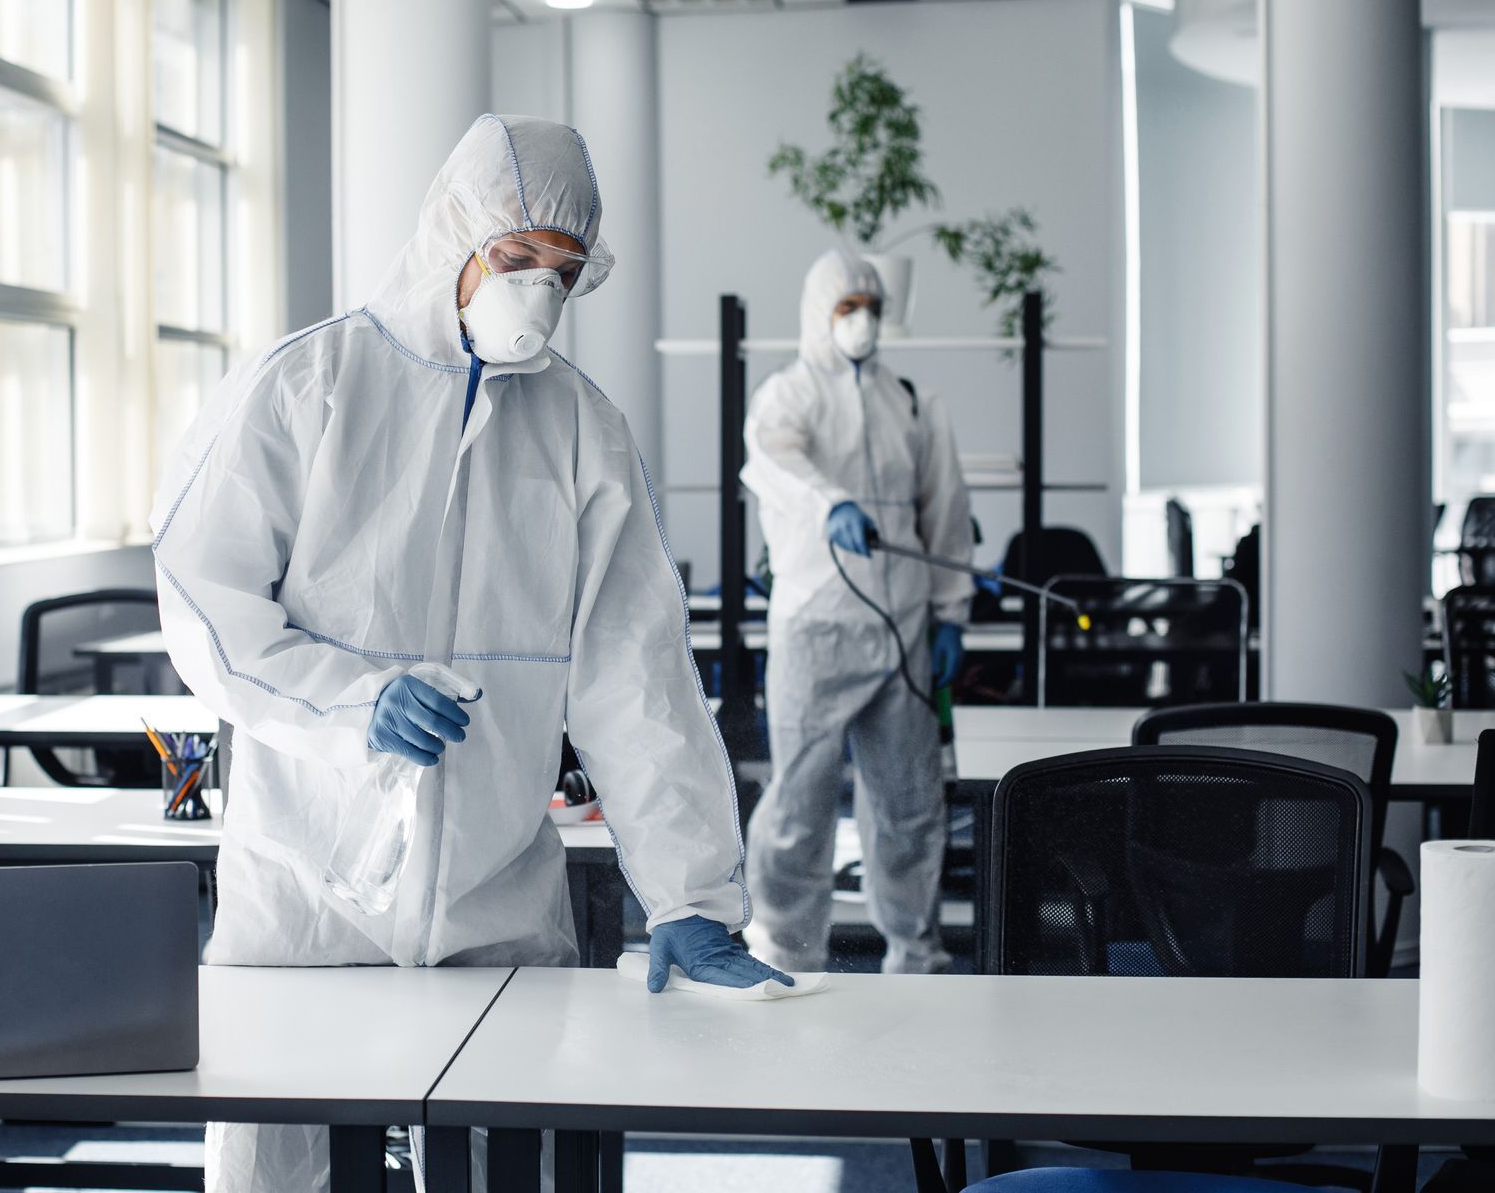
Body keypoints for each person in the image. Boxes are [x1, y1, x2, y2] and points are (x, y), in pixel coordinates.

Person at [152, 114, 789, 1193]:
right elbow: (205, 603)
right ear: (454, 231)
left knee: (512, 1170)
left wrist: (691, 894)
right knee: (280, 1170)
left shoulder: (584, 430)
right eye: (515, 258)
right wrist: (353, 705)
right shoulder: (309, 385)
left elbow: (638, 676)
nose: (539, 292)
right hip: (305, 891)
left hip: (495, 898)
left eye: (564, 268)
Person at [739, 250, 972, 976]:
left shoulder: (911, 401)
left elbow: (946, 509)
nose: (863, 318)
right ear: (820, 312)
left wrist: (952, 616)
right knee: (800, 803)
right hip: (816, 628)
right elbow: (772, 459)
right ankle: (784, 949)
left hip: (902, 626)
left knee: (909, 806)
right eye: (848, 306)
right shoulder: (789, 394)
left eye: (871, 304)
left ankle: (916, 952)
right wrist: (830, 503)